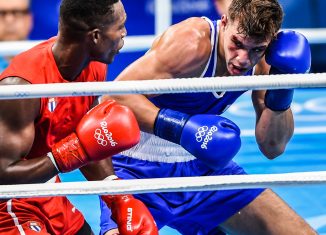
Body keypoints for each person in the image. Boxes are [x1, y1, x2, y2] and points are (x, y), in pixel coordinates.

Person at [99, 0, 315, 234]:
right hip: (136, 168)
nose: (243, 59)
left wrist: (282, 90)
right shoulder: (191, 42)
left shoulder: (266, 61)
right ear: (224, 23)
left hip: (201, 163)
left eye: (256, 49)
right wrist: (182, 128)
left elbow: (272, 146)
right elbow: (114, 97)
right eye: (237, 43)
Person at [0, 0, 158, 234]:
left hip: (48, 191)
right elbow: (3, 175)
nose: (125, 33)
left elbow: (91, 142)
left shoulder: (94, 66)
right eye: (120, 26)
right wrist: (64, 156)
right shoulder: (21, 87)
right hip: (8, 203)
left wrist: (118, 198)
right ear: (95, 37)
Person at [0, 0, 33, 72]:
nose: (9, 20)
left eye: (17, 12)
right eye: (1, 13)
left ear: (29, 19)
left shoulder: (48, 60)